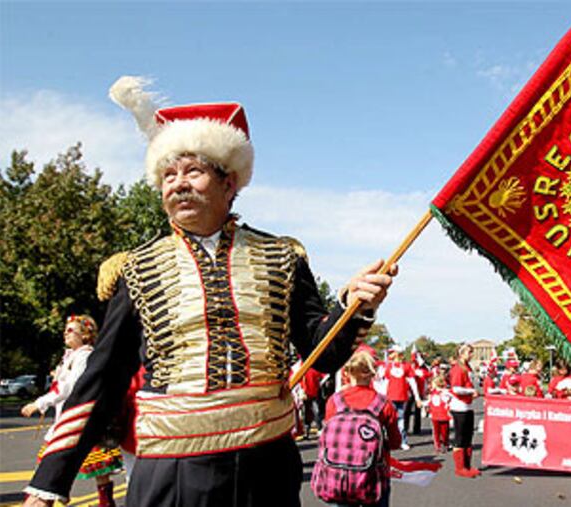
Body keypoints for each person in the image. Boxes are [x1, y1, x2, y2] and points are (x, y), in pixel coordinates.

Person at [23, 77, 397, 507]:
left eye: (193, 171)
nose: (177, 184)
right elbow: (104, 375)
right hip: (172, 469)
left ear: (229, 182)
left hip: (266, 466)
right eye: (168, 175)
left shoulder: (283, 257)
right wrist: (49, 481)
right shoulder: (137, 269)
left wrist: (353, 307)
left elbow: (323, 353)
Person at [21, 315, 123, 507]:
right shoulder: (71, 356)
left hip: (76, 420)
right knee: (50, 470)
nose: (65, 334)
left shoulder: (85, 356)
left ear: (84, 335)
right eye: (65, 330)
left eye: (70, 330)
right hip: (67, 421)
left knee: (95, 469)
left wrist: (40, 403)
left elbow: (68, 387)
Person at [313, 351, 400, 507]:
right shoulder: (383, 403)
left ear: (346, 372)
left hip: (338, 474)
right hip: (372, 475)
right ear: (372, 373)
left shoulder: (335, 401)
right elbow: (395, 442)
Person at [449, 344, 480, 478]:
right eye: (469, 352)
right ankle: (460, 468)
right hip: (459, 406)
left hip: (468, 406)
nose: (471, 355)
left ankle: (467, 465)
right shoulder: (457, 369)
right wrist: (471, 391)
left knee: (468, 437)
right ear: (461, 354)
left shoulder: (468, 367)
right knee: (460, 438)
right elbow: (456, 388)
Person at [384, 345, 420, 450]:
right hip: (390, 398)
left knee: (401, 421)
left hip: (402, 397)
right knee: (390, 421)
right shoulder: (389, 367)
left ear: (397, 353)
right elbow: (385, 383)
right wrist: (383, 397)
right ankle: (390, 441)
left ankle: (402, 441)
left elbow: (413, 382)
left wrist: (417, 397)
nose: (390, 354)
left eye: (392, 352)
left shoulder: (406, 366)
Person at [426, 375, 453, 454]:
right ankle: (438, 445)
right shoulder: (432, 393)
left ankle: (445, 443)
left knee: (445, 432)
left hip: (444, 415)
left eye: (433, 383)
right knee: (436, 432)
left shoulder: (446, 392)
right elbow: (429, 402)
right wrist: (423, 404)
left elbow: (451, 399)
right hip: (434, 415)